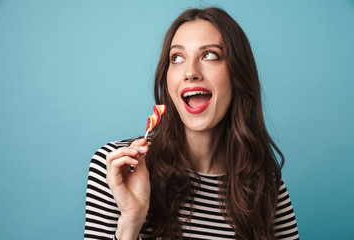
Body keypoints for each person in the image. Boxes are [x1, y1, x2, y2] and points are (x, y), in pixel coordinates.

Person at [84, 7, 299, 240]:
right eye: (177, 58)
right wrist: (131, 221)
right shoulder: (119, 168)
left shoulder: (266, 187)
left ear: (238, 75)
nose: (190, 72)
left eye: (210, 55)